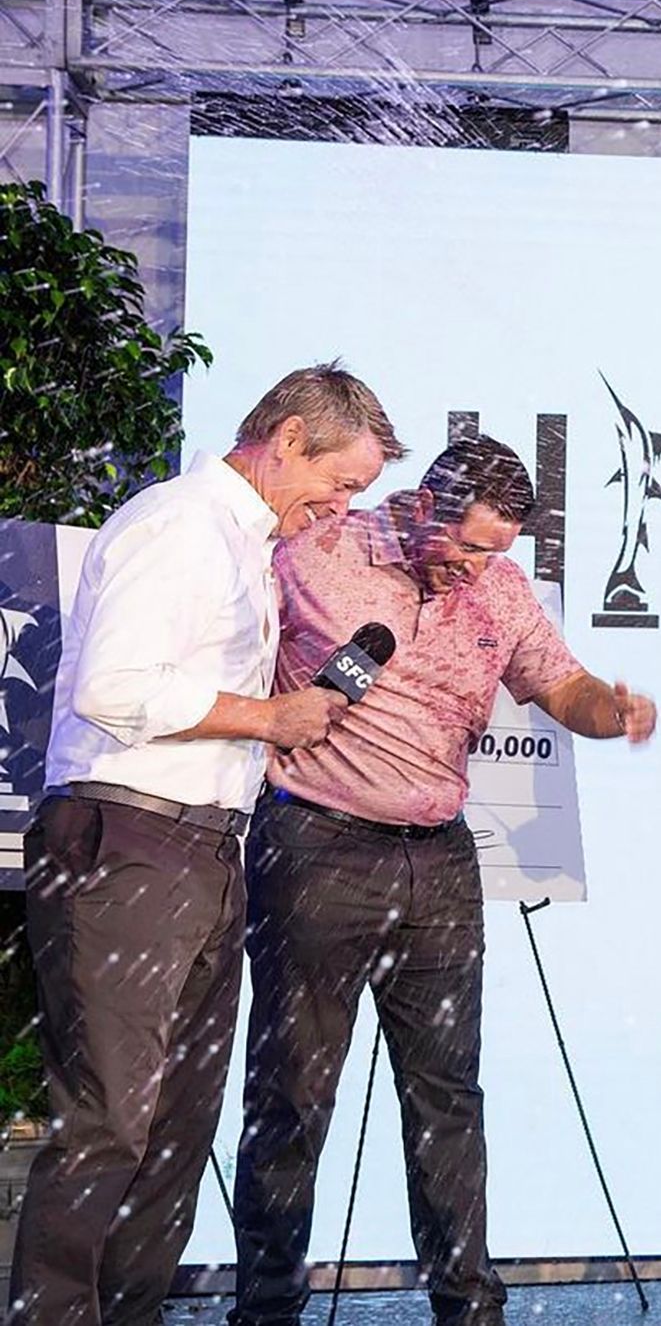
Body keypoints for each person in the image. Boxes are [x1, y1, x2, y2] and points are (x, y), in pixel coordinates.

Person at [227, 436, 659, 1326]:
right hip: (316, 845)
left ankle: (469, 1307)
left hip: (441, 860)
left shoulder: (500, 588)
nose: (478, 567)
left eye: (498, 551)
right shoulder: (318, 549)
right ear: (426, 505)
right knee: (293, 1095)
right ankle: (266, 1309)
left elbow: (561, 684)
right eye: (469, 544)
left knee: (448, 1097)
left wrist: (611, 712)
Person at [12, 365, 403, 1326]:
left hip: (201, 850)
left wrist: (260, 744)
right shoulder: (180, 525)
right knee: (109, 1119)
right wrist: (268, 716)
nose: (343, 506)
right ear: (287, 441)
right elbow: (114, 688)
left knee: (178, 1127)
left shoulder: (244, 542)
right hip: (128, 844)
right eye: (340, 482)